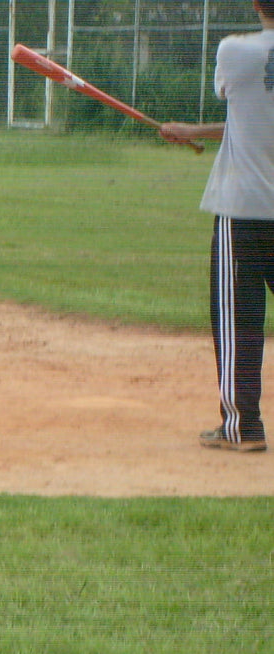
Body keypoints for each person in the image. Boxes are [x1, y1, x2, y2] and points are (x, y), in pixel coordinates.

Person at [159, 0, 274, 453]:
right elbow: (255, 123)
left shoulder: (234, 51)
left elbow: (246, 113)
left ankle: (243, 426)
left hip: (243, 206)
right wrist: (194, 131)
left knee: (237, 317)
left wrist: (192, 130)